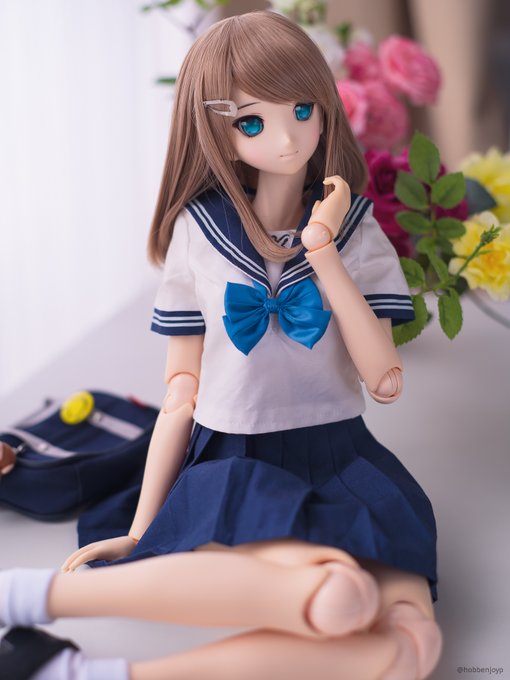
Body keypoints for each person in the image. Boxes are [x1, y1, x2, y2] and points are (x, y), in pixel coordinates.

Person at [0, 10, 442, 680]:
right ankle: (30, 596)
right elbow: (182, 395)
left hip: (339, 456)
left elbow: (383, 380)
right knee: (340, 595)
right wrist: (143, 527)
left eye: (302, 110)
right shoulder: (200, 231)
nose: (288, 138)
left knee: (415, 644)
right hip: (234, 457)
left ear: (324, 107)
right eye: (253, 122)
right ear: (218, 133)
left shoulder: (353, 228)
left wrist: (323, 253)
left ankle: (76, 673)